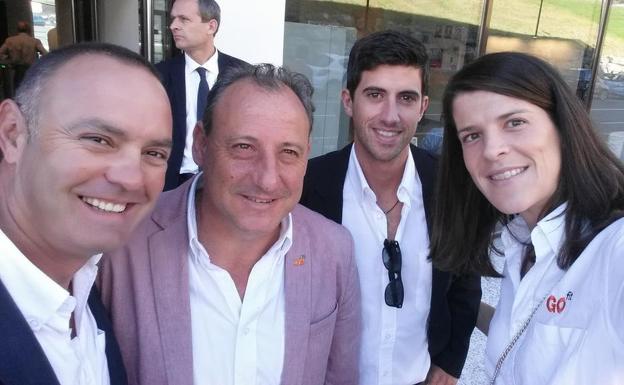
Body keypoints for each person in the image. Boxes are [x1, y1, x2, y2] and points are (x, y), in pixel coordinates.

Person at [98, 63, 361, 385]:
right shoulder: (122, 240)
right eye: (244, 148)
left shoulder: (334, 250)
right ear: (201, 145)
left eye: (288, 152)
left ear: (306, 156)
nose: (267, 179)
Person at [430, 51, 624, 385]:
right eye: (472, 135)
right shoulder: (521, 242)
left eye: (514, 122)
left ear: (562, 127)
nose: (492, 150)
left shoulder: (615, 248)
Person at [300, 30, 481, 385]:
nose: (390, 115)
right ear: (348, 101)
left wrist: (450, 362)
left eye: (406, 98)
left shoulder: (452, 186)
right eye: (375, 95)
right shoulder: (307, 186)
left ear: (423, 107)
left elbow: (465, 282)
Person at [0, 43, 173, 385]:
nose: (131, 178)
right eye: (98, 139)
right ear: (12, 133)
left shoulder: (86, 284)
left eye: (153, 152)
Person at [157, 0, 248, 191]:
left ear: (211, 26)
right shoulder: (159, 76)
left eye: (184, 19)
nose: (173, 26)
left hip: (227, 180)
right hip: (173, 183)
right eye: (173, 19)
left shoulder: (244, 74)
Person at [0, 21, 47, 92]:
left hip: (17, 70)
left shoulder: (10, 41)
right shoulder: (34, 41)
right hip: (31, 70)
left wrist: (7, 60)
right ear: (28, 29)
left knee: (18, 92)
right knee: (30, 91)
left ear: (17, 29)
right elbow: (45, 53)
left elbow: (0, 53)